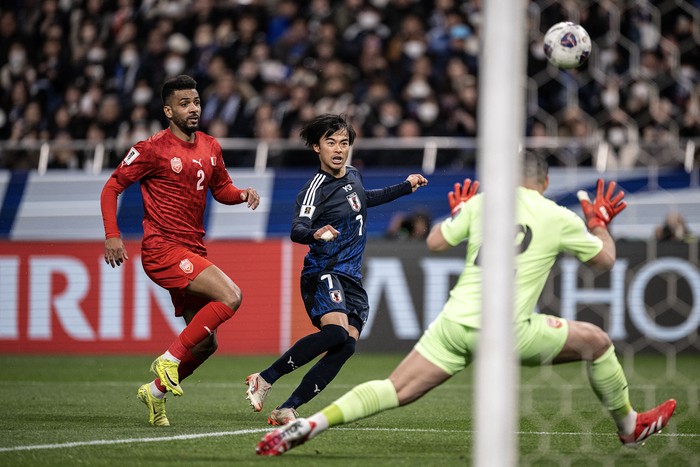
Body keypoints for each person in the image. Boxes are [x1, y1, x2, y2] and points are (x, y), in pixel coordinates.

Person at [255, 150, 676, 455]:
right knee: (598, 341)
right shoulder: (556, 214)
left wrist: (460, 213)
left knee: (394, 388)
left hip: (454, 325)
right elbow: (605, 260)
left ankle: (311, 424)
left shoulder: (482, 203)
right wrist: (599, 223)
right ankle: (628, 425)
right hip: (510, 331)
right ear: (544, 183)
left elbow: (435, 241)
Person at [245, 113, 428, 426]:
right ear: (317, 147)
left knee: (346, 346)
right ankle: (265, 378)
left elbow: (364, 199)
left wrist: (405, 187)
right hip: (323, 271)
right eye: (331, 142)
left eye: (344, 142)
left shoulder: (353, 175)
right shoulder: (315, 188)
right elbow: (297, 228)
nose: (339, 148)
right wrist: (315, 233)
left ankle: (287, 408)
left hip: (350, 277)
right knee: (335, 332)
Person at [100, 74, 260, 427]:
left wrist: (242, 194)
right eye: (185, 103)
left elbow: (222, 189)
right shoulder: (150, 149)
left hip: (193, 250)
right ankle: (168, 359)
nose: (194, 109)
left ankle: (155, 392)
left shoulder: (210, 146)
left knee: (206, 345)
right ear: (168, 110)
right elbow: (112, 188)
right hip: (162, 248)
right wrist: (113, 235)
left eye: (197, 102)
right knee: (231, 295)